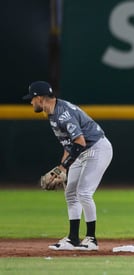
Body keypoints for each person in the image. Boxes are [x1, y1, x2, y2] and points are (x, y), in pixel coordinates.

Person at [23, 81, 113, 251]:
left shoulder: (63, 114)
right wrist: (60, 168)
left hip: (97, 148)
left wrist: (63, 168)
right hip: (81, 151)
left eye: (32, 99)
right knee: (70, 193)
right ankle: (73, 239)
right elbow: (69, 145)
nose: (31, 102)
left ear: (40, 98)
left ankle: (91, 240)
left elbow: (80, 141)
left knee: (84, 192)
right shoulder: (52, 113)